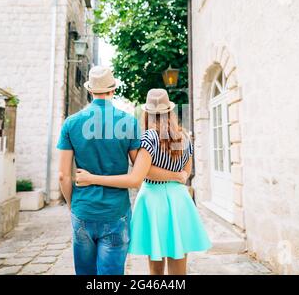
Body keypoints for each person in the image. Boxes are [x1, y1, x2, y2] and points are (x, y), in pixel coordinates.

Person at [57, 67, 187, 275]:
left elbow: (63, 175)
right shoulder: (129, 123)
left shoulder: (71, 123)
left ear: (90, 91)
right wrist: (177, 173)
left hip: (83, 208)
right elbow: (140, 172)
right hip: (115, 211)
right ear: (113, 89)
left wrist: (74, 205)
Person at [76, 88, 212, 275]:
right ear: (170, 111)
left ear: (147, 112)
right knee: (179, 261)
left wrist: (91, 178)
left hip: (153, 201)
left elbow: (144, 172)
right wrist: (179, 176)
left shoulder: (149, 137)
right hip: (180, 200)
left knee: (156, 266)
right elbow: (186, 170)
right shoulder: (184, 136)